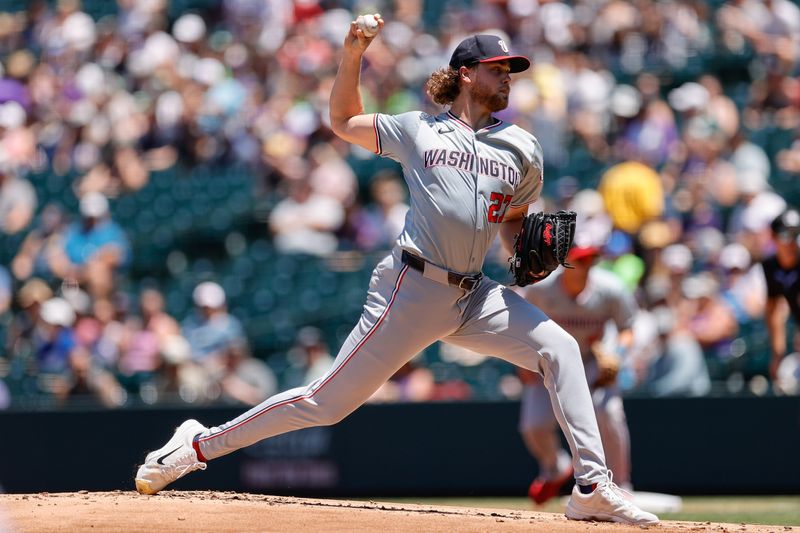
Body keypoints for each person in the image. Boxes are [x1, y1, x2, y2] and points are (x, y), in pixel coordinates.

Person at [134, 20, 657, 525]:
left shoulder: (523, 147)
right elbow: (342, 121)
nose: (508, 77)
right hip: (412, 288)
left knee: (560, 348)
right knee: (324, 404)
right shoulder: (418, 128)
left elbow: (514, 222)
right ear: (467, 72)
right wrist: (353, 53)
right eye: (498, 68)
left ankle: (591, 486)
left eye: (511, 70)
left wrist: (524, 250)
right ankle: (197, 444)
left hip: (475, 295)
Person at [517, 244, 638, 504]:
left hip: (591, 361)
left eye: (590, 260)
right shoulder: (540, 288)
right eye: (580, 260)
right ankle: (555, 467)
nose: (586, 265)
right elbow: (517, 324)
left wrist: (616, 353)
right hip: (548, 361)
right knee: (533, 425)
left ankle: (621, 485)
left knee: (609, 413)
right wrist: (520, 363)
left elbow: (627, 328)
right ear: (564, 261)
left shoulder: (610, 288)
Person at [762, 208, 800, 381]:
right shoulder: (771, 266)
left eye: (796, 234)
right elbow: (773, 307)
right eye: (786, 234)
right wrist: (778, 351)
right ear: (773, 237)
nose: (791, 241)